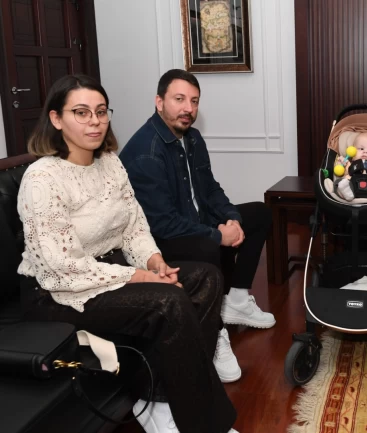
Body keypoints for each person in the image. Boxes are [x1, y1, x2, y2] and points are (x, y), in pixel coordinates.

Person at [17, 74, 238, 433]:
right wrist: (141, 276)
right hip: (58, 292)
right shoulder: (42, 179)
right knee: (169, 300)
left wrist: (155, 261)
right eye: (81, 112)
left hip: (110, 273)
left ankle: (159, 399)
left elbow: (134, 227)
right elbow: (62, 266)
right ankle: (205, 424)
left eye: (101, 111)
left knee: (206, 278)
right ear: (56, 119)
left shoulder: (110, 163)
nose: (94, 121)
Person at [119, 69, 274, 377]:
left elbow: (210, 189)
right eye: (179, 99)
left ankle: (237, 300)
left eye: (194, 101)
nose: (188, 108)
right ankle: (215, 333)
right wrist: (217, 235)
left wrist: (232, 219)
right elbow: (162, 224)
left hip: (192, 221)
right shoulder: (146, 153)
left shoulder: (192, 138)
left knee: (259, 213)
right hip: (160, 241)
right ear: (159, 102)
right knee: (208, 246)